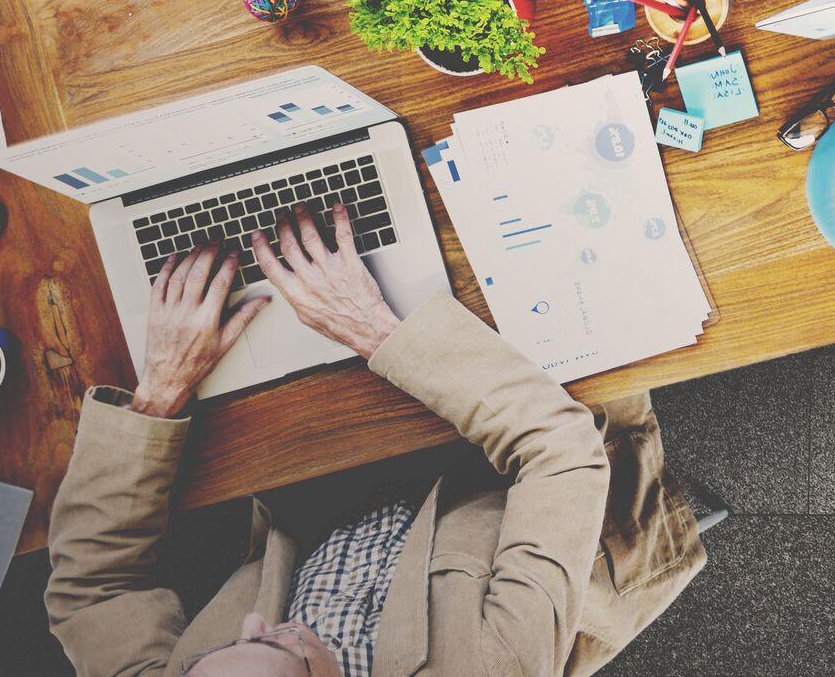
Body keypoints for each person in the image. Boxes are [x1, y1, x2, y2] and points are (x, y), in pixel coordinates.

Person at [44, 207, 704, 676]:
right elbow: (558, 452)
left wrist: (160, 391)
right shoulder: (490, 668)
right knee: (556, 242)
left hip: (330, 500)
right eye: (279, 649)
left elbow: (91, 592)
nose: (251, 622)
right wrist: (373, 329)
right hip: (515, 484)